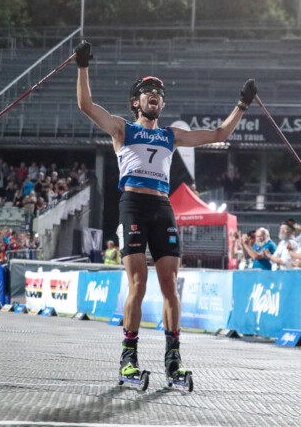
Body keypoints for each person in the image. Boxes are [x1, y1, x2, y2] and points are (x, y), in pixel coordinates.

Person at [74, 40, 256, 384]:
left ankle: (173, 361)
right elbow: (86, 105)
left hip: (162, 207)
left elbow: (219, 134)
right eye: (147, 91)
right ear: (136, 102)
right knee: (138, 285)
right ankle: (128, 359)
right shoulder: (121, 128)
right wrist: (83, 67)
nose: (154, 94)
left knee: (171, 287)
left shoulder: (172, 136)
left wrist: (242, 104)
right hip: (132, 205)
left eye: (158, 91)